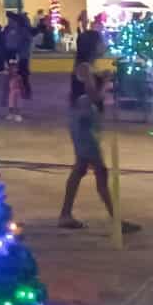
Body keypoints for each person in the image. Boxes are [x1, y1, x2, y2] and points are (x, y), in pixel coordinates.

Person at [59, 30, 138, 232]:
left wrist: (101, 78)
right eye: (101, 42)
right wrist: (107, 83)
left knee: (81, 168)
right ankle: (115, 219)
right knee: (98, 170)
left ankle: (66, 214)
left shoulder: (87, 67)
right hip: (83, 123)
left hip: (85, 121)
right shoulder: (84, 67)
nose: (104, 45)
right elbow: (94, 96)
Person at [2, 11, 34, 100]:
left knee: (23, 75)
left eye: (11, 19)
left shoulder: (23, 31)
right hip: (11, 54)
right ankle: (9, 95)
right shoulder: (8, 29)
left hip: (21, 55)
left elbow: (25, 42)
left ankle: (25, 93)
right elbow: (5, 42)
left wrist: (20, 53)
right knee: (12, 75)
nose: (9, 21)